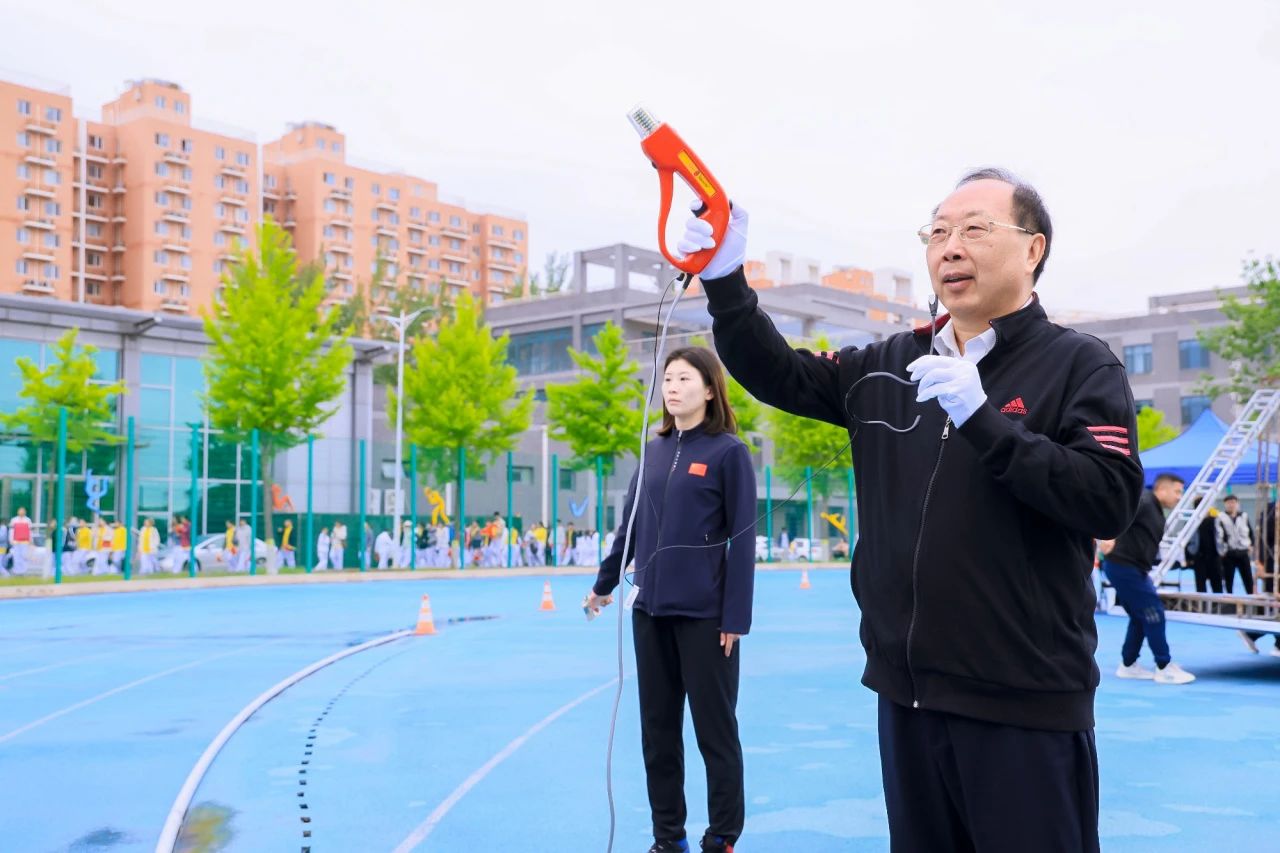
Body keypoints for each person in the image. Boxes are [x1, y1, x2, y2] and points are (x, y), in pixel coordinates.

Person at [685, 168, 1145, 851]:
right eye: (937, 232)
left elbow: (1108, 499)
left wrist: (984, 419)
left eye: (975, 229)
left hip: (1024, 703)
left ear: (1033, 249)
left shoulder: (1080, 365)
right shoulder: (890, 363)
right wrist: (725, 279)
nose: (950, 247)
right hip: (906, 696)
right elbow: (778, 371)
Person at [587, 346, 756, 853]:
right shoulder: (654, 450)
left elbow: (743, 541)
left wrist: (735, 617)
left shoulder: (728, 453)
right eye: (667, 379)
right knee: (657, 734)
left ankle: (722, 836)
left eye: (684, 378)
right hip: (650, 613)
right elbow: (630, 528)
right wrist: (604, 583)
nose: (672, 387)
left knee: (715, 733)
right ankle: (668, 837)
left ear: (710, 389)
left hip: (706, 618)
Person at [1098, 473, 1196, 684]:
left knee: (1140, 616)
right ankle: (1164, 666)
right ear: (1162, 489)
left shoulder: (1155, 508)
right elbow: (1119, 510)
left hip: (1133, 568)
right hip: (1123, 566)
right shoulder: (1144, 500)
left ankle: (1128, 665)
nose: (1180, 497)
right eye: (1177, 491)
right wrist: (1107, 536)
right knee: (1154, 612)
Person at [1240, 499, 1280, 655]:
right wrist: (1260, 563)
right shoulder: (1271, 509)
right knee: (1274, 604)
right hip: (1272, 565)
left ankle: (1273, 642)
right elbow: (1262, 538)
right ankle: (1252, 633)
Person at [1187, 496, 1225, 593]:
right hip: (1199, 557)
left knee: (1217, 585)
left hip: (1214, 556)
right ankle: (1202, 603)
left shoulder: (1216, 520)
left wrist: (1223, 550)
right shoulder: (1192, 522)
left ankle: (1217, 603)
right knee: (1200, 587)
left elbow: (1224, 536)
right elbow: (1187, 540)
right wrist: (1189, 557)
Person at [1219, 494, 1254, 594]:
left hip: (1243, 552)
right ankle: (1229, 599)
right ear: (1225, 504)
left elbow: (1250, 532)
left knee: (1248, 579)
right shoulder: (1221, 517)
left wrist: (1251, 545)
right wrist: (1222, 550)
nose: (1231, 505)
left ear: (1237, 504)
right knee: (1228, 580)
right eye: (1229, 503)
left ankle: (1251, 597)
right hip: (1229, 553)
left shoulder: (1244, 516)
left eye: (1233, 502)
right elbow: (1219, 535)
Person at [9, 507, 32, 575]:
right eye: (20, 511)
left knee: (24, 556)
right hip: (16, 541)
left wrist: (30, 540)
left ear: (25, 512)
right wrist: (11, 539)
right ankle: (17, 570)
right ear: (18, 512)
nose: (21, 512)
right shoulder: (14, 520)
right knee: (16, 556)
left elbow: (30, 531)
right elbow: (11, 531)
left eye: (23, 511)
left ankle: (24, 570)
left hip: (25, 541)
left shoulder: (28, 520)